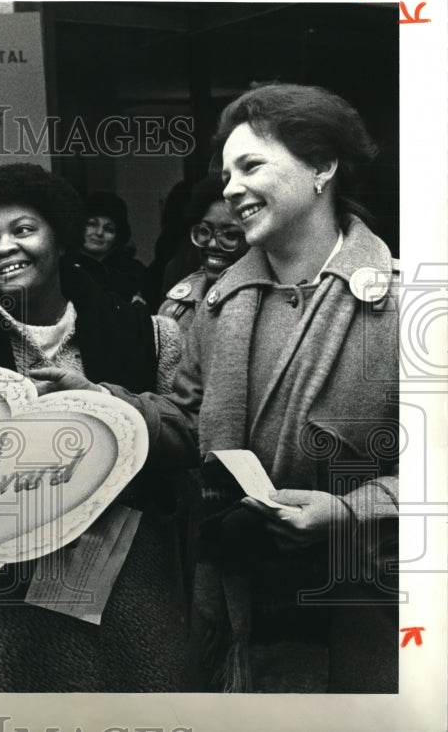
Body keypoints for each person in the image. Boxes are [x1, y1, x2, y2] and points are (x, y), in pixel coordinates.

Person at [35, 83, 399, 693]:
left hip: (359, 620)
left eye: (251, 165)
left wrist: (344, 511)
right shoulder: (219, 301)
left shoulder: (408, 304)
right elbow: (185, 424)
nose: (230, 188)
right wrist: (106, 405)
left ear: (323, 167)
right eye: (226, 171)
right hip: (233, 611)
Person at [0, 162, 187, 692]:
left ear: (60, 240)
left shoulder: (152, 336)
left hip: (124, 600)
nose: (5, 248)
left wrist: (105, 408)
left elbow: (191, 441)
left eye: (22, 230)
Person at [158, 175, 250, 334]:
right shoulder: (175, 306)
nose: (213, 244)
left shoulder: (269, 307)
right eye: (204, 231)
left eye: (230, 235)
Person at [74, 191, 148, 305]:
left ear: (118, 237)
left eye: (109, 229)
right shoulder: (62, 266)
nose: (99, 233)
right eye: (92, 224)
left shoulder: (134, 272)